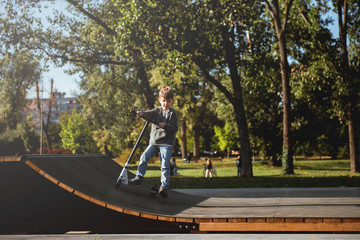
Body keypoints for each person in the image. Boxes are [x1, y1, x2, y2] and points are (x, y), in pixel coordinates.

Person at [129, 86, 178, 198]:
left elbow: (175, 128)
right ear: (160, 100)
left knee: (164, 165)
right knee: (144, 157)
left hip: (166, 143)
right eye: (164, 101)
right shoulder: (156, 111)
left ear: (172, 101)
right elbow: (148, 113)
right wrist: (140, 113)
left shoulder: (172, 113)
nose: (166, 103)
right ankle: (139, 177)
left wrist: (165, 125)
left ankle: (164, 186)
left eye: (168, 101)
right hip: (154, 142)